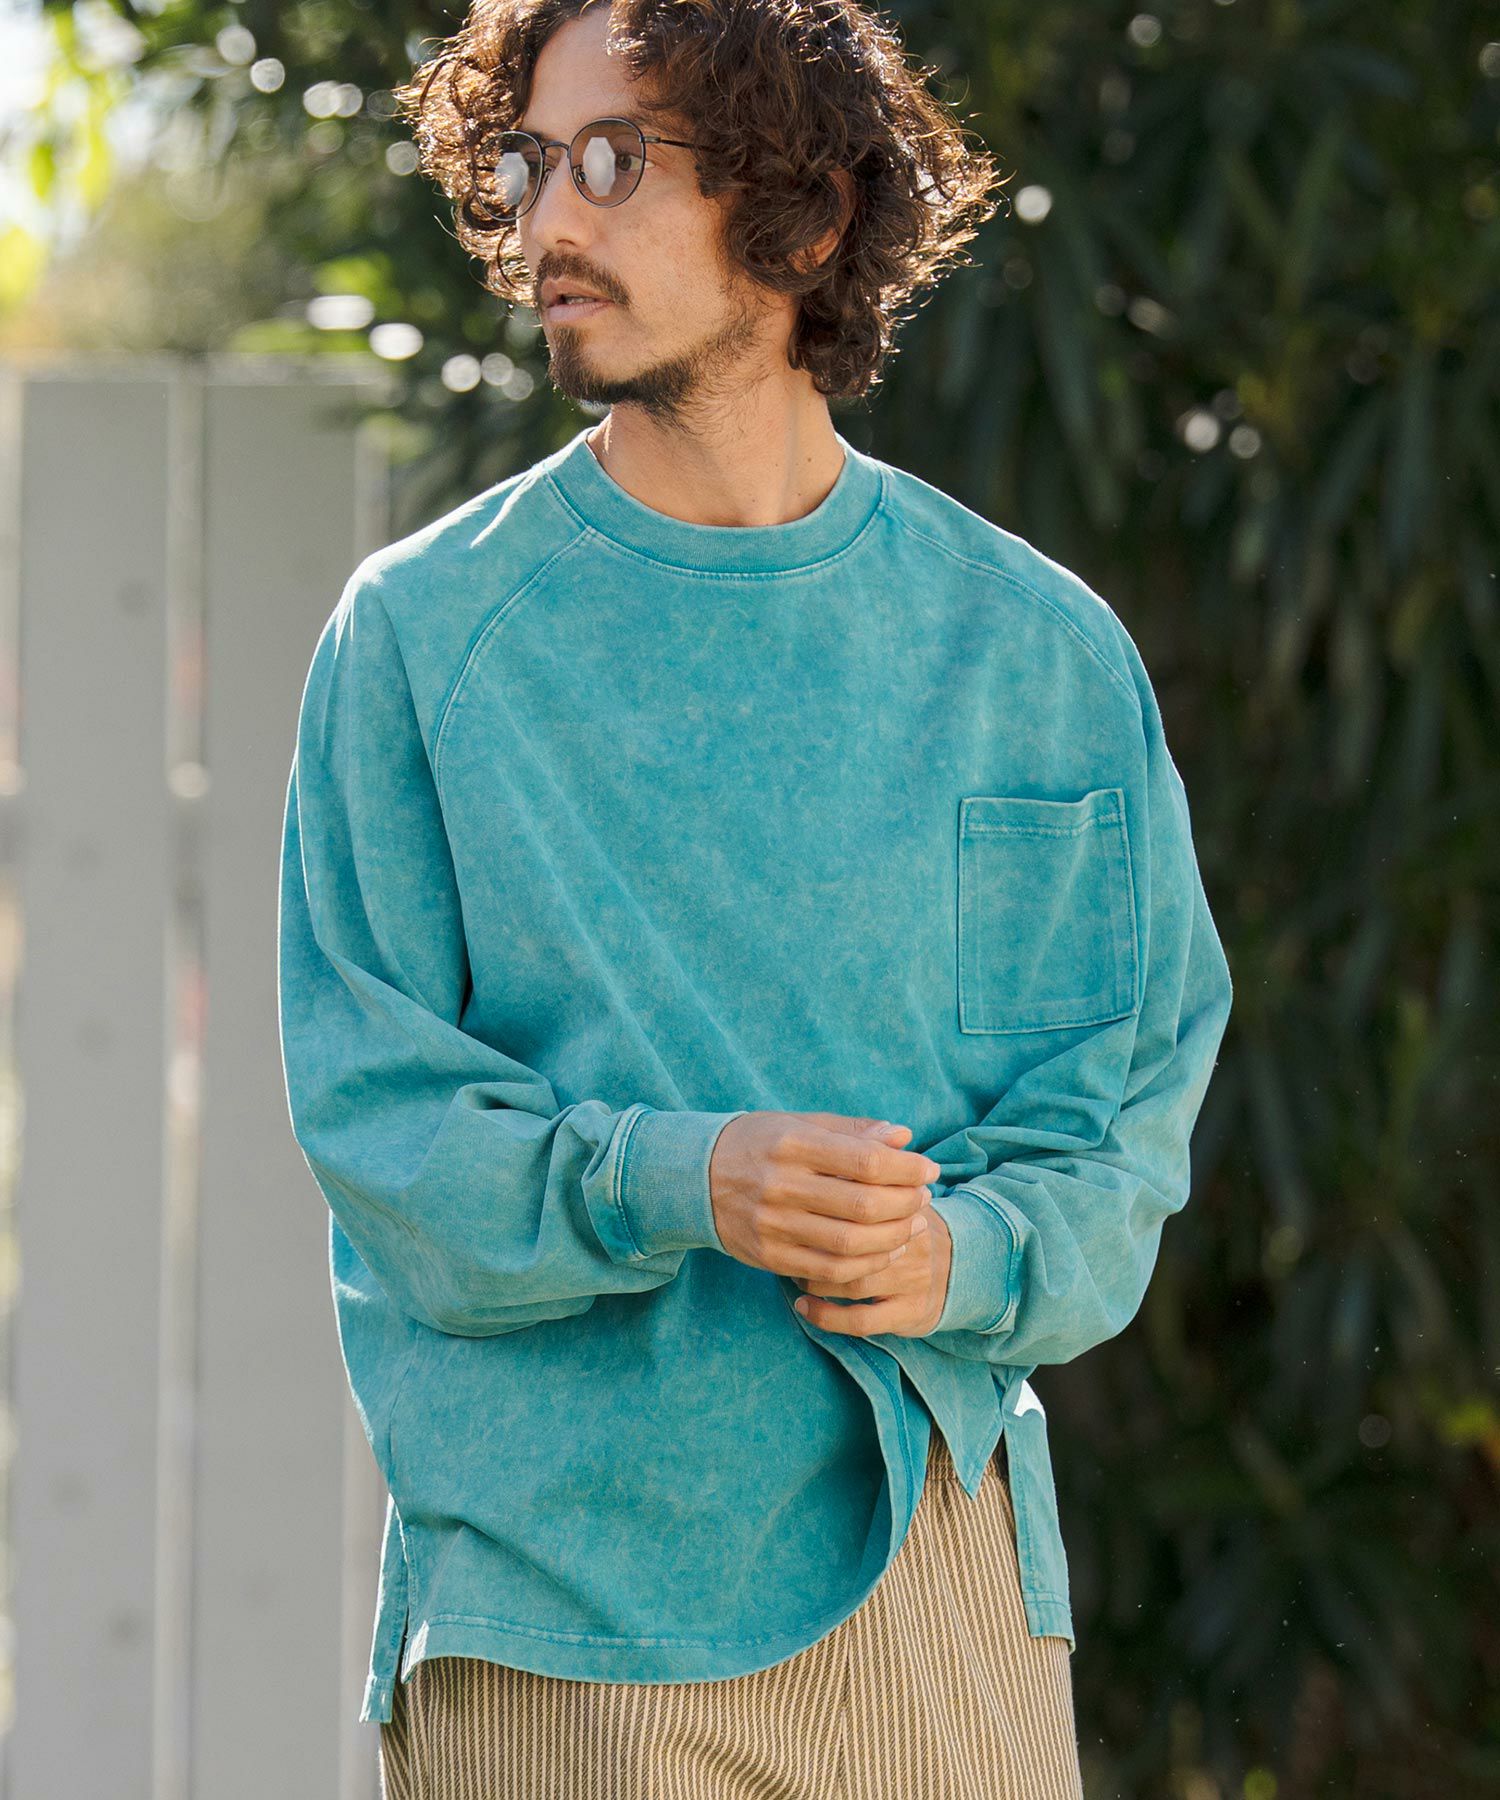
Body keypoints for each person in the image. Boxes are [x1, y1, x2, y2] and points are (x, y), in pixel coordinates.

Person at [276, 2, 1235, 1795]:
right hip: (557, 1615)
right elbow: (384, 1133)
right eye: (528, 163)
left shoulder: (1034, 653)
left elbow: (1118, 1116)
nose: (550, 221)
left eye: (613, 159)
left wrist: (963, 1255)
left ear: (803, 217)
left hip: (940, 1581)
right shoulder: (419, 639)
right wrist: (683, 1177)